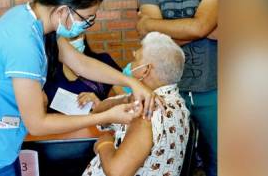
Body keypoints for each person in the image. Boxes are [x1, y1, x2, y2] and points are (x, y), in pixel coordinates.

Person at [0, 0, 162, 175]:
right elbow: (38, 124)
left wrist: (132, 82)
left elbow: (81, 63)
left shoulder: (34, 23)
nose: (87, 25)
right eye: (86, 18)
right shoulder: (23, 42)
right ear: (63, 10)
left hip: (4, 140)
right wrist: (104, 116)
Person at [137, 0, 218, 175]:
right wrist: (203, 26)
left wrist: (159, 27)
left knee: (219, 158)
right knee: (173, 158)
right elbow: (150, 39)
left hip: (214, 90)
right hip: (169, 93)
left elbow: (200, 27)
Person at [80, 32, 189, 176]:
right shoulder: (176, 102)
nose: (130, 65)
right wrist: (124, 100)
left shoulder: (147, 112)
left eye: (135, 59)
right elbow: (98, 113)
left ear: (146, 70)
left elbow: (116, 172)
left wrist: (104, 143)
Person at [43, 32, 121, 111]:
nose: (68, 46)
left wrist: (100, 105)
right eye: (63, 42)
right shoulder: (46, 70)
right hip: (58, 122)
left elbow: (126, 99)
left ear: (82, 35)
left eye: (73, 38)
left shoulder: (103, 61)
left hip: (97, 121)